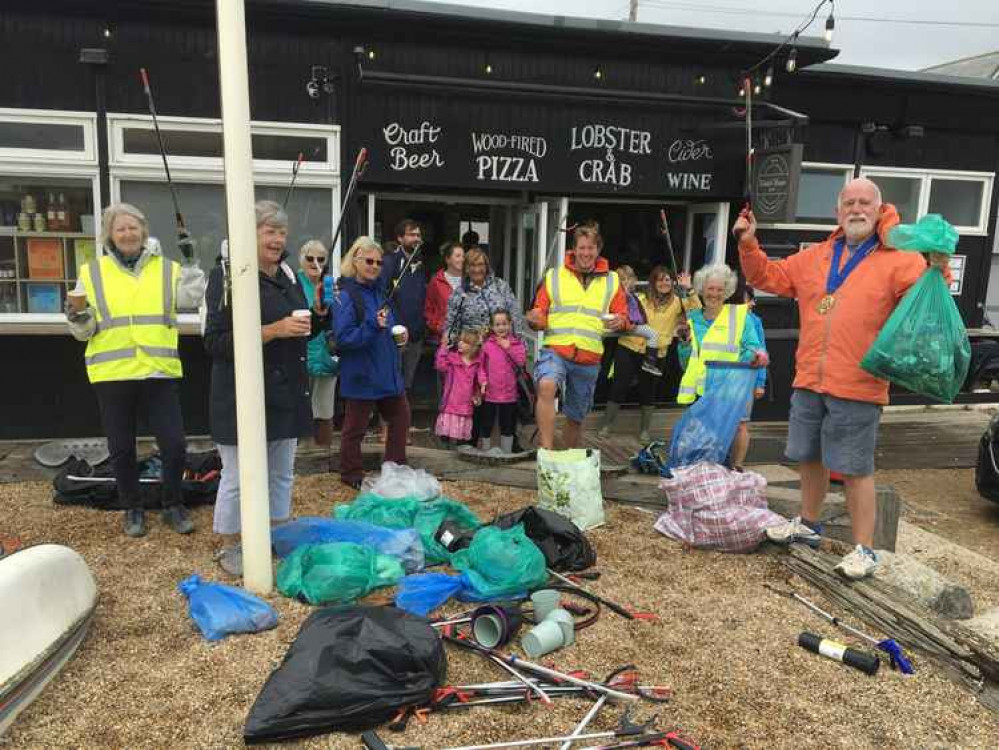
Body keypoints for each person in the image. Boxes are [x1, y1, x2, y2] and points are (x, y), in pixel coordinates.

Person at [733, 177, 950, 579]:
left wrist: (938, 269)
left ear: (878, 208)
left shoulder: (900, 258)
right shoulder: (816, 256)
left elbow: (927, 298)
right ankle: (809, 524)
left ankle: (865, 549)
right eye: (849, 202)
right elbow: (768, 277)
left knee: (854, 468)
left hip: (860, 382)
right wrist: (748, 243)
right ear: (837, 211)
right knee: (808, 456)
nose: (856, 209)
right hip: (810, 377)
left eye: (864, 202)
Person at [66, 202, 205, 538]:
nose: (127, 234)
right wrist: (77, 316)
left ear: (144, 231)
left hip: (158, 371)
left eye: (133, 227)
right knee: (122, 448)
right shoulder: (92, 272)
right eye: (120, 228)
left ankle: (172, 503)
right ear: (110, 236)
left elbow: (192, 297)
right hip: (112, 374)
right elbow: (83, 332)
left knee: (174, 446)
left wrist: (191, 262)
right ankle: (132, 508)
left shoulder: (167, 268)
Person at [204, 201, 324, 575]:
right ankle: (230, 544)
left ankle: (276, 533)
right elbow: (215, 341)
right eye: (268, 231)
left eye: (282, 232)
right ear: (249, 234)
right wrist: (273, 331)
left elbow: (303, 331)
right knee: (239, 475)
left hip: (286, 393)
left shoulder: (287, 273)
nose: (277, 239)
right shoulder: (227, 275)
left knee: (281, 472)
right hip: (242, 395)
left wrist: (318, 314)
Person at [527, 221, 633, 449]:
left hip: (589, 356)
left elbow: (625, 317)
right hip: (556, 349)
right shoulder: (554, 276)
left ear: (598, 249)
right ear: (573, 249)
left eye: (591, 248)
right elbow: (539, 315)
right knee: (546, 385)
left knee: (576, 417)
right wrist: (534, 320)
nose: (586, 253)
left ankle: (569, 459)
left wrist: (621, 321)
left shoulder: (613, 280)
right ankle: (546, 450)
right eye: (581, 247)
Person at [335, 236, 411, 489]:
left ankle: (394, 469)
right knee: (355, 427)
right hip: (362, 372)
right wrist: (372, 326)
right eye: (369, 261)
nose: (375, 266)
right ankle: (351, 474)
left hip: (385, 370)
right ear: (355, 260)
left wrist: (398, 334)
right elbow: (343, 338)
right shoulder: (346, 296)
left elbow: (385, 326)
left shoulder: (379, 292)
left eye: (378, 262)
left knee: (401, 417)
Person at [676, 263, 768, 462]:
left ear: (727, 292)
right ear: (701, 290)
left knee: (729, 438)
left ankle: (734, 470)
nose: (715, 294)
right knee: (701, 443)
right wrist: (684, 344)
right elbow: (685, 362)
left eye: (720, 289)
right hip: (701, 393)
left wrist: (755, 358)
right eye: (710, 288)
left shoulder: (740, 316)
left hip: (729, 389)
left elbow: (753, 347)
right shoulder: (691, 319)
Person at [600, 266, 700, 442]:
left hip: (656, 353)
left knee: (648, 391)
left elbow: (697, 312)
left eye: (668, 279)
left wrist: (689, 289)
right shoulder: (640, 299)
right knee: (619, 386)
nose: (664, 283)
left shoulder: (678, 302)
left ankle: (644, 431)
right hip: (630, 347)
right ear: (653, 282)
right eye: (660, 279)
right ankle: (607, 426)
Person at [296, 240, 338, 447]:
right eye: (309, 258)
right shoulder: (293, 283)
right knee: (300, 409)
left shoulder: (330, 284)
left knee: (324, 409)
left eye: (320, 259)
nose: (315, 263)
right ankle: (300, 459)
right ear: (301, 259)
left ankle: (324, 458)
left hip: (326, 354)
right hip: (300, 354)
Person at [380, 219, 427, 392]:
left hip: (415, 334)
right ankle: (385, 420)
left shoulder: (419, 262)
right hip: (396, 334)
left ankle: (401, 419)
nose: (416, 238)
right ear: (400, 238)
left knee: (407, 384)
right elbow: (382, 296)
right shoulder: (389, 261)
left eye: (419, 235)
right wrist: (396, 324)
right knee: (391, 381)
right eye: (412, 235)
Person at [443, 247, 526, 341]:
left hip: (501, 350)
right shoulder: (459, 294)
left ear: (487, 266)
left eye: (480, 264)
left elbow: (516, 317)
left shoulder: (501, 286)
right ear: (466, 268)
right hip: (472, 351)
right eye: (472, 265)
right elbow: (451, 327)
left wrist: (520, 347)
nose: (477, 269)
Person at [728, 285, 769, 470]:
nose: (750, 303)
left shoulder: (755, 321)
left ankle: (737, 465)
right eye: (747, 299)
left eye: (750, 299)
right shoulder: (724, 318)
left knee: (741, 424)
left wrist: (760, 382)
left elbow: (761, 351)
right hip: (723, 377)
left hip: (745, 377)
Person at [479, 309, 528, 453]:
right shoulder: (487, 345)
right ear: (492, 327)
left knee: (507, 425)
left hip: (509, 395)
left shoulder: (517, 344)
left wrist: (509, 348)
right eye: (497, 324)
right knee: (487, 424)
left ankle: (507, 453)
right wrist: (483, 382)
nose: (501, 327)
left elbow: (521, 362)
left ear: (510, 324)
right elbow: (480, 367)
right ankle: (486, 451)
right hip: (489, 394)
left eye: (504, 324)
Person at [434, 329, 485, 446]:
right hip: (452, 400)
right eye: (460, 340)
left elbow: (481, 374)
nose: (460, 343)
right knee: (449, 423)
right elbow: (440, 365)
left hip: (466, 401)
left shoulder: (476, 362)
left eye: (465, 342)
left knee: (462, 426)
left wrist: (483, 383)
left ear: (472, 347)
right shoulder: (453, 359)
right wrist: (443, 348)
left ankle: (459, 444)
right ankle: (445, 440)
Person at [424, 240, 465, 347]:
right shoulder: (436, 281)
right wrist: (439, 327)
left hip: (467, 342)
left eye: (463, 256)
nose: (462, 259)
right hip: (443, 339)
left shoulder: (470, 281)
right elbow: (428, 309)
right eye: (458, 256)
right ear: (447, 259)